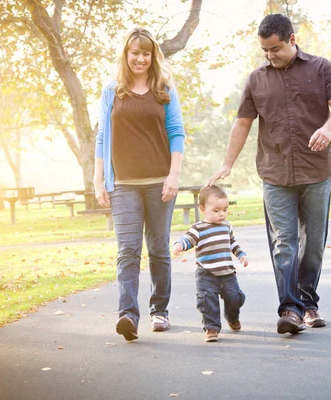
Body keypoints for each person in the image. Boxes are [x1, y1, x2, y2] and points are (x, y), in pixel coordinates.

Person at [207, 14, 331, 334]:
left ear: (292, 40)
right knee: (284, 242)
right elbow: (242, 122)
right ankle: (290, 309)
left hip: (316, 171)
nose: (270, 55)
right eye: (265, 51)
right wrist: (228, 163)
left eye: (275, 48)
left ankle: (308, 304)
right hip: (275, 174)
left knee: (312, 244)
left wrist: (328, 127)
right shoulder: (257, 79)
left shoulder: (321, 68)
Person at [94, 27, 185, 341]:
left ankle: (159, 311)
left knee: (159, 249)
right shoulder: (112, 91)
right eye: (135, 52)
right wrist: (98, 180)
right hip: (123, 185)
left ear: (153, 56)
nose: (140, 58)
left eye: (146, 53)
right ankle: (128, 316)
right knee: (128, 251)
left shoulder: (164, 89)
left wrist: (174, 176)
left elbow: (177, 133)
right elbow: (102, 137)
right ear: (126, 54)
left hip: (160, 182)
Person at [172, 185, 248, 342]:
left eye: (225, 210)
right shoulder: (198, 228)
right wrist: (179, 245)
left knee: (234, 299)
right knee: (207, 301)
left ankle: (232, 317)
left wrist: (241, 255)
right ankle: (211, 328)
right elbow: (188, 240)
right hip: (206, 273)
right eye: (216, 210)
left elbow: (232, 243)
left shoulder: (227, 226)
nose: (222, 214)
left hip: (227, 273)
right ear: (203, 209)